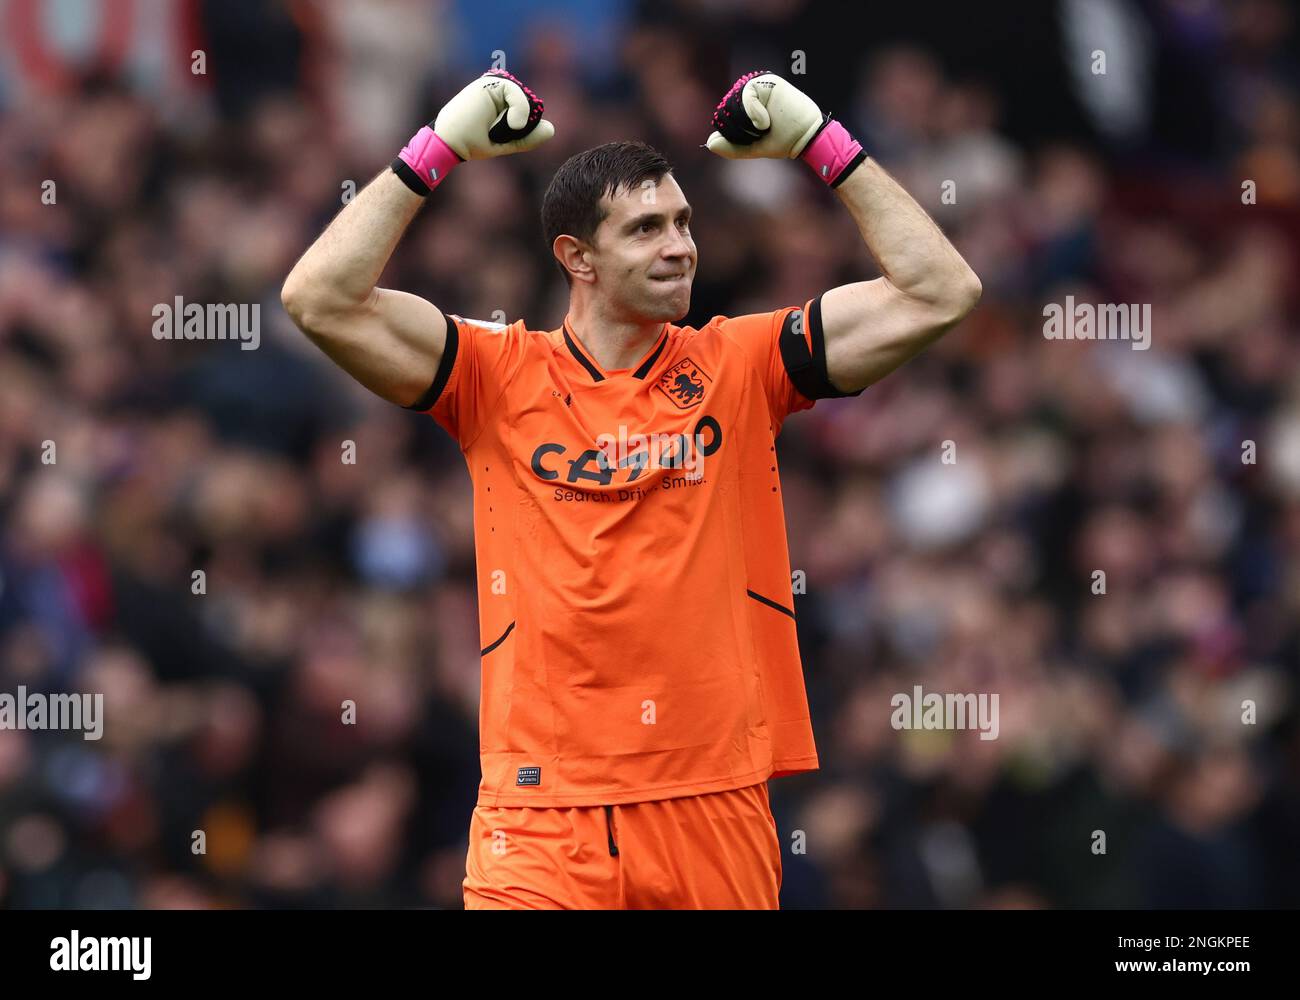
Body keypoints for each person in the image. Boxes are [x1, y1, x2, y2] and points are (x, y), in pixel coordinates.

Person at [281, 67, 981, 909]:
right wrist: (437, 150)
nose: (680, 245)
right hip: (540, 816)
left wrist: (819, 143)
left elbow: (941, 292)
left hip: (712, 808)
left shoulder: (742, 364)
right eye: (646, 228)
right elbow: (318, 297)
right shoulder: (495, 375)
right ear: (577, 258)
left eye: (683, 222)